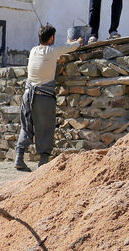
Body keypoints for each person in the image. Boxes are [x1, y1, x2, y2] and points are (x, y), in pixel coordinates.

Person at [15, 25, 82, 171]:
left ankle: (19, 157)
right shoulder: (52, 51)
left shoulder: (33, 50)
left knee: (26, 126)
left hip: (28, 95)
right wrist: (78, 41)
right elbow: (71, 47)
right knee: (45, 128)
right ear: (51, 38)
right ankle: (43, 161)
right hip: (43, 97)